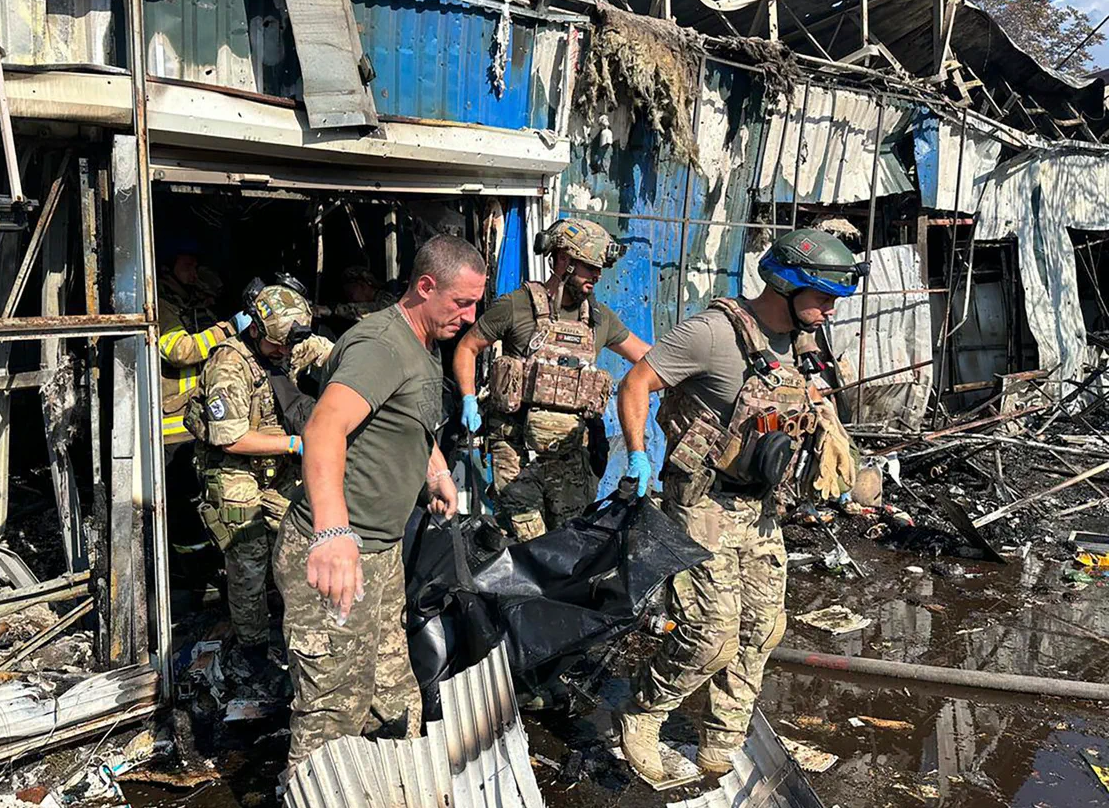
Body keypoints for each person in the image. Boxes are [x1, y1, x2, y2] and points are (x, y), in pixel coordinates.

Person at [615, 229, 869, 781]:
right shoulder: (711, 334)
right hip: (702, 505)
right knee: (711, 632)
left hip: (761, 509)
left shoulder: (803, 344)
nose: (830, 310)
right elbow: (635, 383)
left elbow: (799, 408)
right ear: (785, 285)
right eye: (823, 297)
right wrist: (637, 455)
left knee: (761, 629)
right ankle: (642, 715)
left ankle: (720, 740)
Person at [273, 235, 486, 773]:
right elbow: (323, 429)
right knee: (333, 717)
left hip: (381, 553)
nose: (470, 317)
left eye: (475, 304)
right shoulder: (382, 346)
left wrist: (436, 471)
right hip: (337, 554)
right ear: (425, 287)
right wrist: (332, 533)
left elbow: (406, 417)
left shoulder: (422, 344)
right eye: (462, 303)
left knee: (393, 697)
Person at [452, 218, 650, 541]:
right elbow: (467, 347)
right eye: (589, 267)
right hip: (516, 451)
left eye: (599, 269)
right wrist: (468, 398)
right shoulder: (516, 306)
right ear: (562, 260)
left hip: (568, 458)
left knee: (569, 544)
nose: (597, 276)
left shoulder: (599, 318)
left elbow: (649, 360)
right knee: (523, 543)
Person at [189, 280, 320, 668]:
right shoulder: (229, 365)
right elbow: (232, 439)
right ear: (256, 330)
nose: (285, 353)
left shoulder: (289, 345)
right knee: (249, 560)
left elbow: (334, 353)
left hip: (275, 469)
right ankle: (255, 649)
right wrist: (295, 444)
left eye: (288, 346)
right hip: (234, 469)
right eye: (277, 346)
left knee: (306, 535)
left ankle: (307, 633)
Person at [158, 243, 250, 450]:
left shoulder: (191, 305)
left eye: (195, 266)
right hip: (175, 429)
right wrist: (228, 329)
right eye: (187, 266)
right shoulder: (161, 306)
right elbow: (179, 351)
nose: (194, 273)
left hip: (196, 422)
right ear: (166, 268)